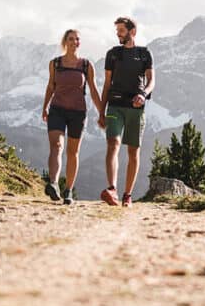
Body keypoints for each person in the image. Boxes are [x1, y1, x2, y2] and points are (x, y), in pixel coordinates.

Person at [41, 29, 102, 205]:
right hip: (57, 109)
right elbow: (50, 87)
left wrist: (101, 113)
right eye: (70, 39)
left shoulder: (86, 65)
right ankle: (53, 183)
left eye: (77, 39)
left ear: (79, 43)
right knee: (57, 145)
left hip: (78, 113)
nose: (74, 42)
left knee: (73, 152)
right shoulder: (55, 64)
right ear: (65, 42)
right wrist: (45, 107)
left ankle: (68, 190)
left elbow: (93, 90)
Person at [99, 16, 154, 207]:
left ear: (132, 32)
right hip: (114, 105)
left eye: (121, 31)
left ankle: (127, 195)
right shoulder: (112, 54)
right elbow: (107, 84)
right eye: (117, 31)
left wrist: (144, 94)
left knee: (133, 151)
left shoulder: (145, 54)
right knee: (113, 143)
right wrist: (100, 111)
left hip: (136, 108)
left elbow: (151, 80)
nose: (118, 34)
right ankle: (112, 189)